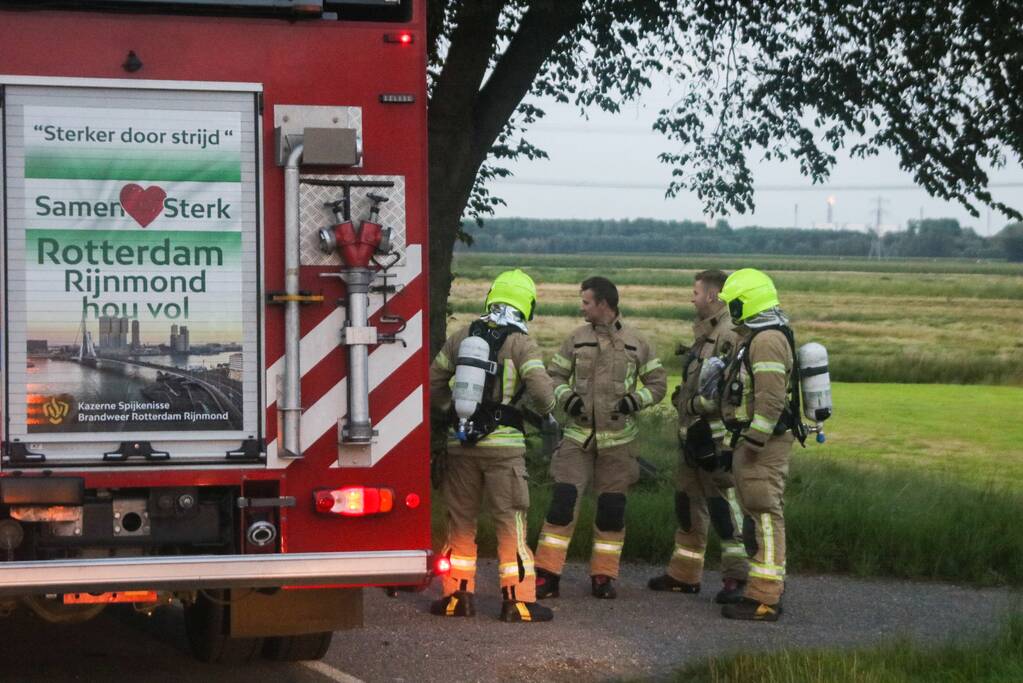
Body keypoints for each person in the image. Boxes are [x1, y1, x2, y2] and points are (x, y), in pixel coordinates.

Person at [428, 269, 556, 622]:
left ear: (491, 297)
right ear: (526, 305)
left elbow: (432, 384)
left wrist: (449, 412)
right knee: (510, 523)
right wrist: (544, 410)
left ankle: (457, 598)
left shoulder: (461, 336)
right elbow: (545, 397)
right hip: (505, 450)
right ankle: (517, 602)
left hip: (460, 444)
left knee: (460, 522)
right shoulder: (521, 343)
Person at [533, 276, 667, 600]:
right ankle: (547, 576)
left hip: (619, 444)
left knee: (611, 510)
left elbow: (658, 384)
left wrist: (636, 401)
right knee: (563, 504)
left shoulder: (637, 342)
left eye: (586, 302)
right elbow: (554, 376)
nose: (582, 308)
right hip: (577, 440)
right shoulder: (576, 339)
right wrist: (568, 399)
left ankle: (604, 577)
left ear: (604, 304)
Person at [647, 270, 749, 603]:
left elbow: (723, 396)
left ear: (714, 296)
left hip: (715, 443)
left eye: (695, 292)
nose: (691, 298)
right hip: (692, 441)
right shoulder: (704, 334)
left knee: (723, 509)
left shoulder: (727, 336)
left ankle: (738, 578)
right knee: (687, 506)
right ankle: (684, 575)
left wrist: (686, 403)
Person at [716, 268, 799, 622]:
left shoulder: (766, 341)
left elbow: (770, 399)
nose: (728, 309)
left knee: (764, 515)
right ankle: (761, 590)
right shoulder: (759, 337)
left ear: (744, 303)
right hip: (753, 443)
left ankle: (765, 598)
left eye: (731, 303)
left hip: (762, 446)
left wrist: (753, 441)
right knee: (756, 514)